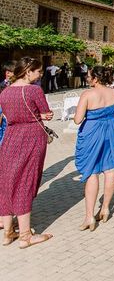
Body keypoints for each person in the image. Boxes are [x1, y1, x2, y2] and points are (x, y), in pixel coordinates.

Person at [0, 57, 54, 248]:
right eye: (38, 72)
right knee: (25, 182)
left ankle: (7, 233)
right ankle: (25, 236)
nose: (40, 75)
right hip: (31, 137)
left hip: (10, 137)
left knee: (7, 182)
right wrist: (43, 116)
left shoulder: (5, 92)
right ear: (28, 71)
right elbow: (45, 112)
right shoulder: (34, 90)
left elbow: (9, 116)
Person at [74, 65, 114, 231]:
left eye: (89, 76)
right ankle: (105, 208)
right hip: (112, 128)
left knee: (92, 172)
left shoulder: (88, 94)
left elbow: (77, 119)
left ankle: (89, 216)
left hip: (93, 131)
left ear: (95, 78)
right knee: (110, 169)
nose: (88, 79)